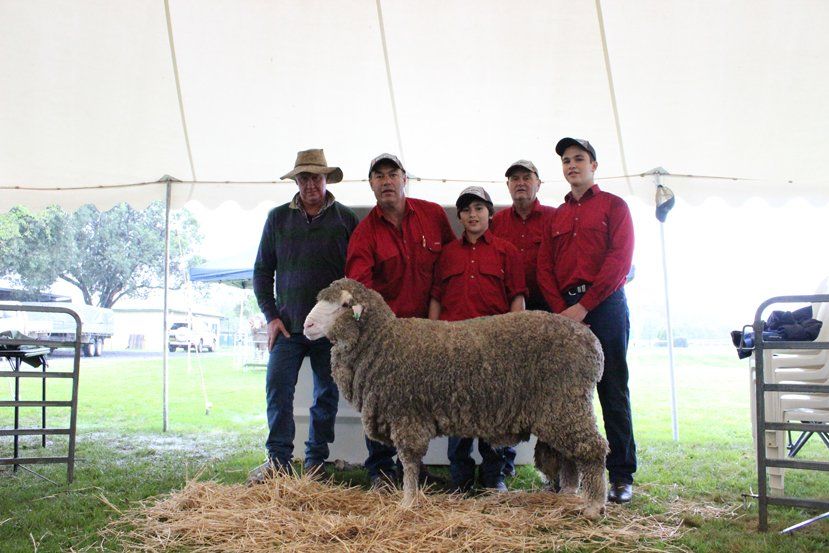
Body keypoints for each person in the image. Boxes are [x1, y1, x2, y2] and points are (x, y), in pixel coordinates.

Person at [248, 148, 359, 483]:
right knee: (278, 388)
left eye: (316, 177)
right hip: (288, 327)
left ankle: (315, 462)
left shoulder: (346, 220)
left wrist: (342, 320)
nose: (311, 184)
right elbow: (261, 271)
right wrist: (271, 316)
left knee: (326, 394)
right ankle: (278, 461)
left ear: (326, 179)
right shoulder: (277, 219)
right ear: (296, 181)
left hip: (329, 331)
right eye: (304, 177)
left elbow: (355, 276)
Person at [345, 153, 456, 487]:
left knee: (420, 404)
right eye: (378, 176)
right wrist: (368, 332)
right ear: (371, 185)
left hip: (428, 333)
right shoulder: (364, 234)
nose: (386, 181)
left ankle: (415, 470)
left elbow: (452, 263)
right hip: (386, 339)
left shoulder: (433, 215)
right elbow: (357, 290)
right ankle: (380, 470)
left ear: (405, 178)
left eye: (392, 174)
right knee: (378, 402)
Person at [537, 137, 637, 504]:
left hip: (607, 304)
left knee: (612, 388)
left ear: (594, 166)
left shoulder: (615, 207)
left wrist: (586, 305)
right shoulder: (557, 217)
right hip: (566, 309)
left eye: (579, 159)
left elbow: (619, 261)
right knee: (563, 398)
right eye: (565, 160)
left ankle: (622, 476)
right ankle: (565, 477)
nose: (571, 165)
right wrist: (562, 309)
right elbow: (544, 267)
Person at [428, 186, 526, 493]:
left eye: (479, 209)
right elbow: (436, 299)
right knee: (457, 412)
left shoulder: (506, 251)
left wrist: (511, 342)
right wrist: (432, 338)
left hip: (493, 346)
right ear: (459, 217)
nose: (473, 215)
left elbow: (517, 299)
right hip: (453, 346)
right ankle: (460, 477)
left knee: (493, 412)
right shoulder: (447, 254)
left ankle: (493, 475)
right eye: (467, 210)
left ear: (490, 214)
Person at [490, 159, 556, 478]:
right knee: (508, 390)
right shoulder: (497, 222)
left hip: (548, 311)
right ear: (507, 186)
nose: (520, 183)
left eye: (526, 177)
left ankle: (553, 468)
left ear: (538, 183)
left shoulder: (555, 218)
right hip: (509, 315)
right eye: (513, 178)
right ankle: (504, 464)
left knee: (550, 392)